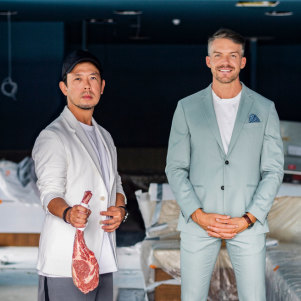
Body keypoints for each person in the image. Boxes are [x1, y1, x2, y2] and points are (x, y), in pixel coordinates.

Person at [165, 28, 284, 301]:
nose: (225, 61)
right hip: (199, 221)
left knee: (254, 297)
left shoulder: (264, 109)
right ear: (208, 61)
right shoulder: (187, 107)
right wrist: (197, 214)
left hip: (248, 221)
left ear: (242, 61)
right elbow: (175, 168)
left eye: (233, 55)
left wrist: (249, 217)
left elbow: (273, 170)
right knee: (191, 297)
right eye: (218, 55)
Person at [32, 50, 127, 301]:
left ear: (102, 86)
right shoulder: (53, 136)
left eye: (93, 78)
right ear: (64, 87)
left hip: (103, 256)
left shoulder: (104, 136)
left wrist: (120, 209)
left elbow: (115, 183)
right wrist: (67, 212)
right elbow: (49, 192)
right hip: (67, 261)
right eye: (77, 79)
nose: (87, 85)